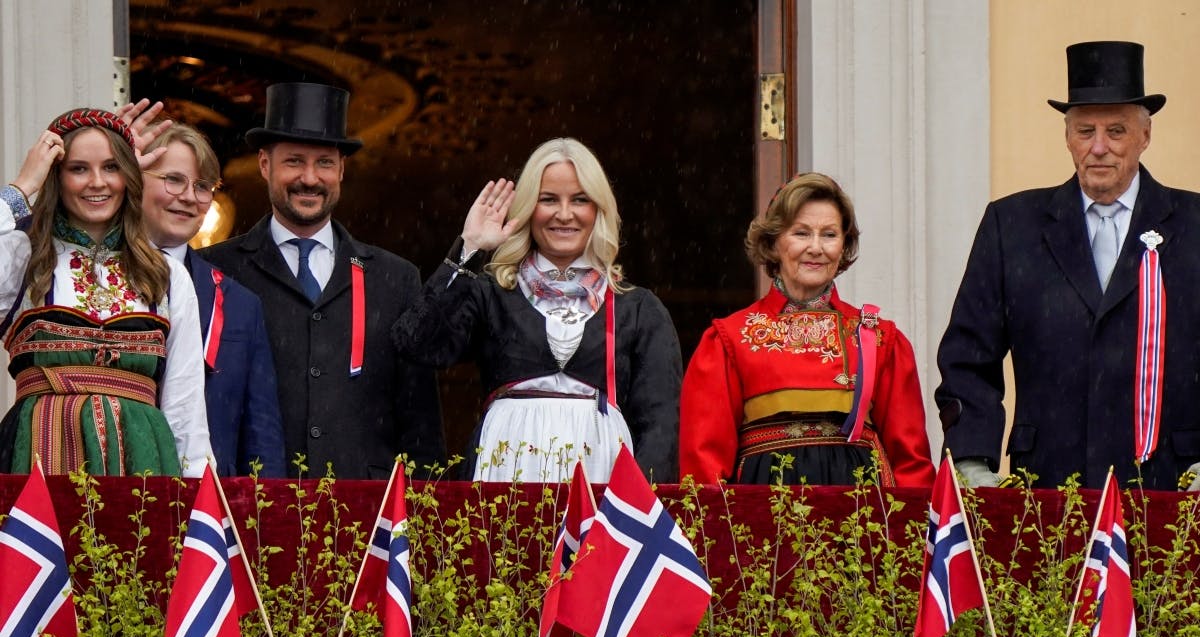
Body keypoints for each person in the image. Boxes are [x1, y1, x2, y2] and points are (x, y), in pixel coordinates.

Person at [936, 41, 1200, 490]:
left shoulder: (1194, 224)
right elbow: (968, 356)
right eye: (1085, 131)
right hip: (1046, 485)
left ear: (1145, 136)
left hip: (1170, 487)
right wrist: (973, 460)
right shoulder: (1012, 225)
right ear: (1067, 136)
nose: (1099, 148)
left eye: (1116, 131)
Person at [393, 137, 682, 483]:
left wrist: (638, 511)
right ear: (529, 207)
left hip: (604, 481)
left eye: (579, 199)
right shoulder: (491, 292)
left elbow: (660, 425)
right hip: (503, 472)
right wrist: (469, 249)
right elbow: (416, 342)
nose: (564, 214)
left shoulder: (638, 308)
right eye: (548, 200)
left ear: (598, 210)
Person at [201, 82, 444, 480]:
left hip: (369, 517)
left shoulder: (395, 278)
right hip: (253, 509)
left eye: (325, 163)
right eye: (294, 161)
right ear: (265, 165)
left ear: (342, 170)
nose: (310, 178)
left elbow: (421, 426)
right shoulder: (216, 271)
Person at [678, 172, 934, 487]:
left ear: (844, 245)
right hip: (761, 521)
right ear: (773, 242)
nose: (816, 248)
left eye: (829, 234)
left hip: (863, 523)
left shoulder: (881, 339)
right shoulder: (729, 339)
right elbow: (703, 470)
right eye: (801, 233)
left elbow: (912, 466)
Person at [0, 108, 211, 477]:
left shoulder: (167, 275)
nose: (97, 182)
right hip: (37, 458)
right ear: (56, 177)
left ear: (129, 176)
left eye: (112, 167)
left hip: (143, 466)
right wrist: (21, 187)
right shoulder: (24, 257)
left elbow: (185, 408)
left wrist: (197, 505)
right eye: (79, 168)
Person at [141, 122, 286, 478]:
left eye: (203, 186)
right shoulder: (88, 274)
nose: (190, 197)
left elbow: (261, 439)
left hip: (208, 516)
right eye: (173, 179)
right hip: (105, 496)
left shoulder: (240, 304)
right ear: (135, 180)